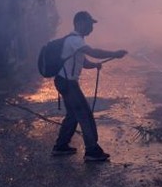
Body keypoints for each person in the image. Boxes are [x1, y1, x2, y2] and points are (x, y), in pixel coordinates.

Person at [52, 10, 128, 162]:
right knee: (84, 114)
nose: (91, 28)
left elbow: (83, 61)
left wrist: (94, 65)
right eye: (89, 24)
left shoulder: (76, 41)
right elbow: (93, 52)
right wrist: (114, 53)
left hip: (65, 81)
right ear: (79, 23)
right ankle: (92, 151)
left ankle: (60, 146)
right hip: (67, 83)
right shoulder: (74, 40)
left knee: (73, 114)